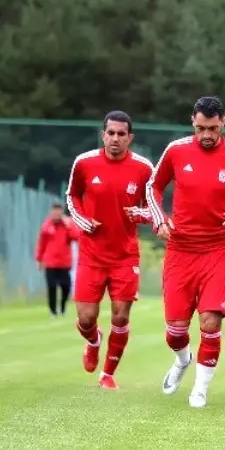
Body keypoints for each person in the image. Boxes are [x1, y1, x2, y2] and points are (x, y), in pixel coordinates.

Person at [147, 96, 225, 408]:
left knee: (211, 322)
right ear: (193, 122)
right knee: (175, 330)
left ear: (223, 124)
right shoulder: (176, 150)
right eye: (201, 128)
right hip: (181, 249)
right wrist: (159, 218)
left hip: (219, 250)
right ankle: (182, 358)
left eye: (212, 129)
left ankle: (199, 389)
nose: (206, 135)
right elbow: (153, 187)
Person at [64, 111, 153, 389]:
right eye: (111, 133)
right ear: (103, 135)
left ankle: (108, 375)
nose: (115, 138)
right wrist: (82, 221)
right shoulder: (84, 163)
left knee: (121, 315)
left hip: (125, 255)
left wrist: (138, 213)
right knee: (86, 318)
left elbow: (154, 208)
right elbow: (72, 196)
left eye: (121, 134)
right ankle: (93, 340)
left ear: (130, 138)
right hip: (92, 254)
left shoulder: (144, 168)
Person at [35, 203, 79, 317]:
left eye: (58, 212)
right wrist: (39, 259)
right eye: (54, 212)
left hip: (64, 263)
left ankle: (63, 306)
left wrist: (69, 225)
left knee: (66, 286)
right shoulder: (46, 226)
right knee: (52, 287)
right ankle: (53, 311)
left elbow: (76, 236)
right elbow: (42, 244)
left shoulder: (67, 225)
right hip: (50, 263)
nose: (56, 214)